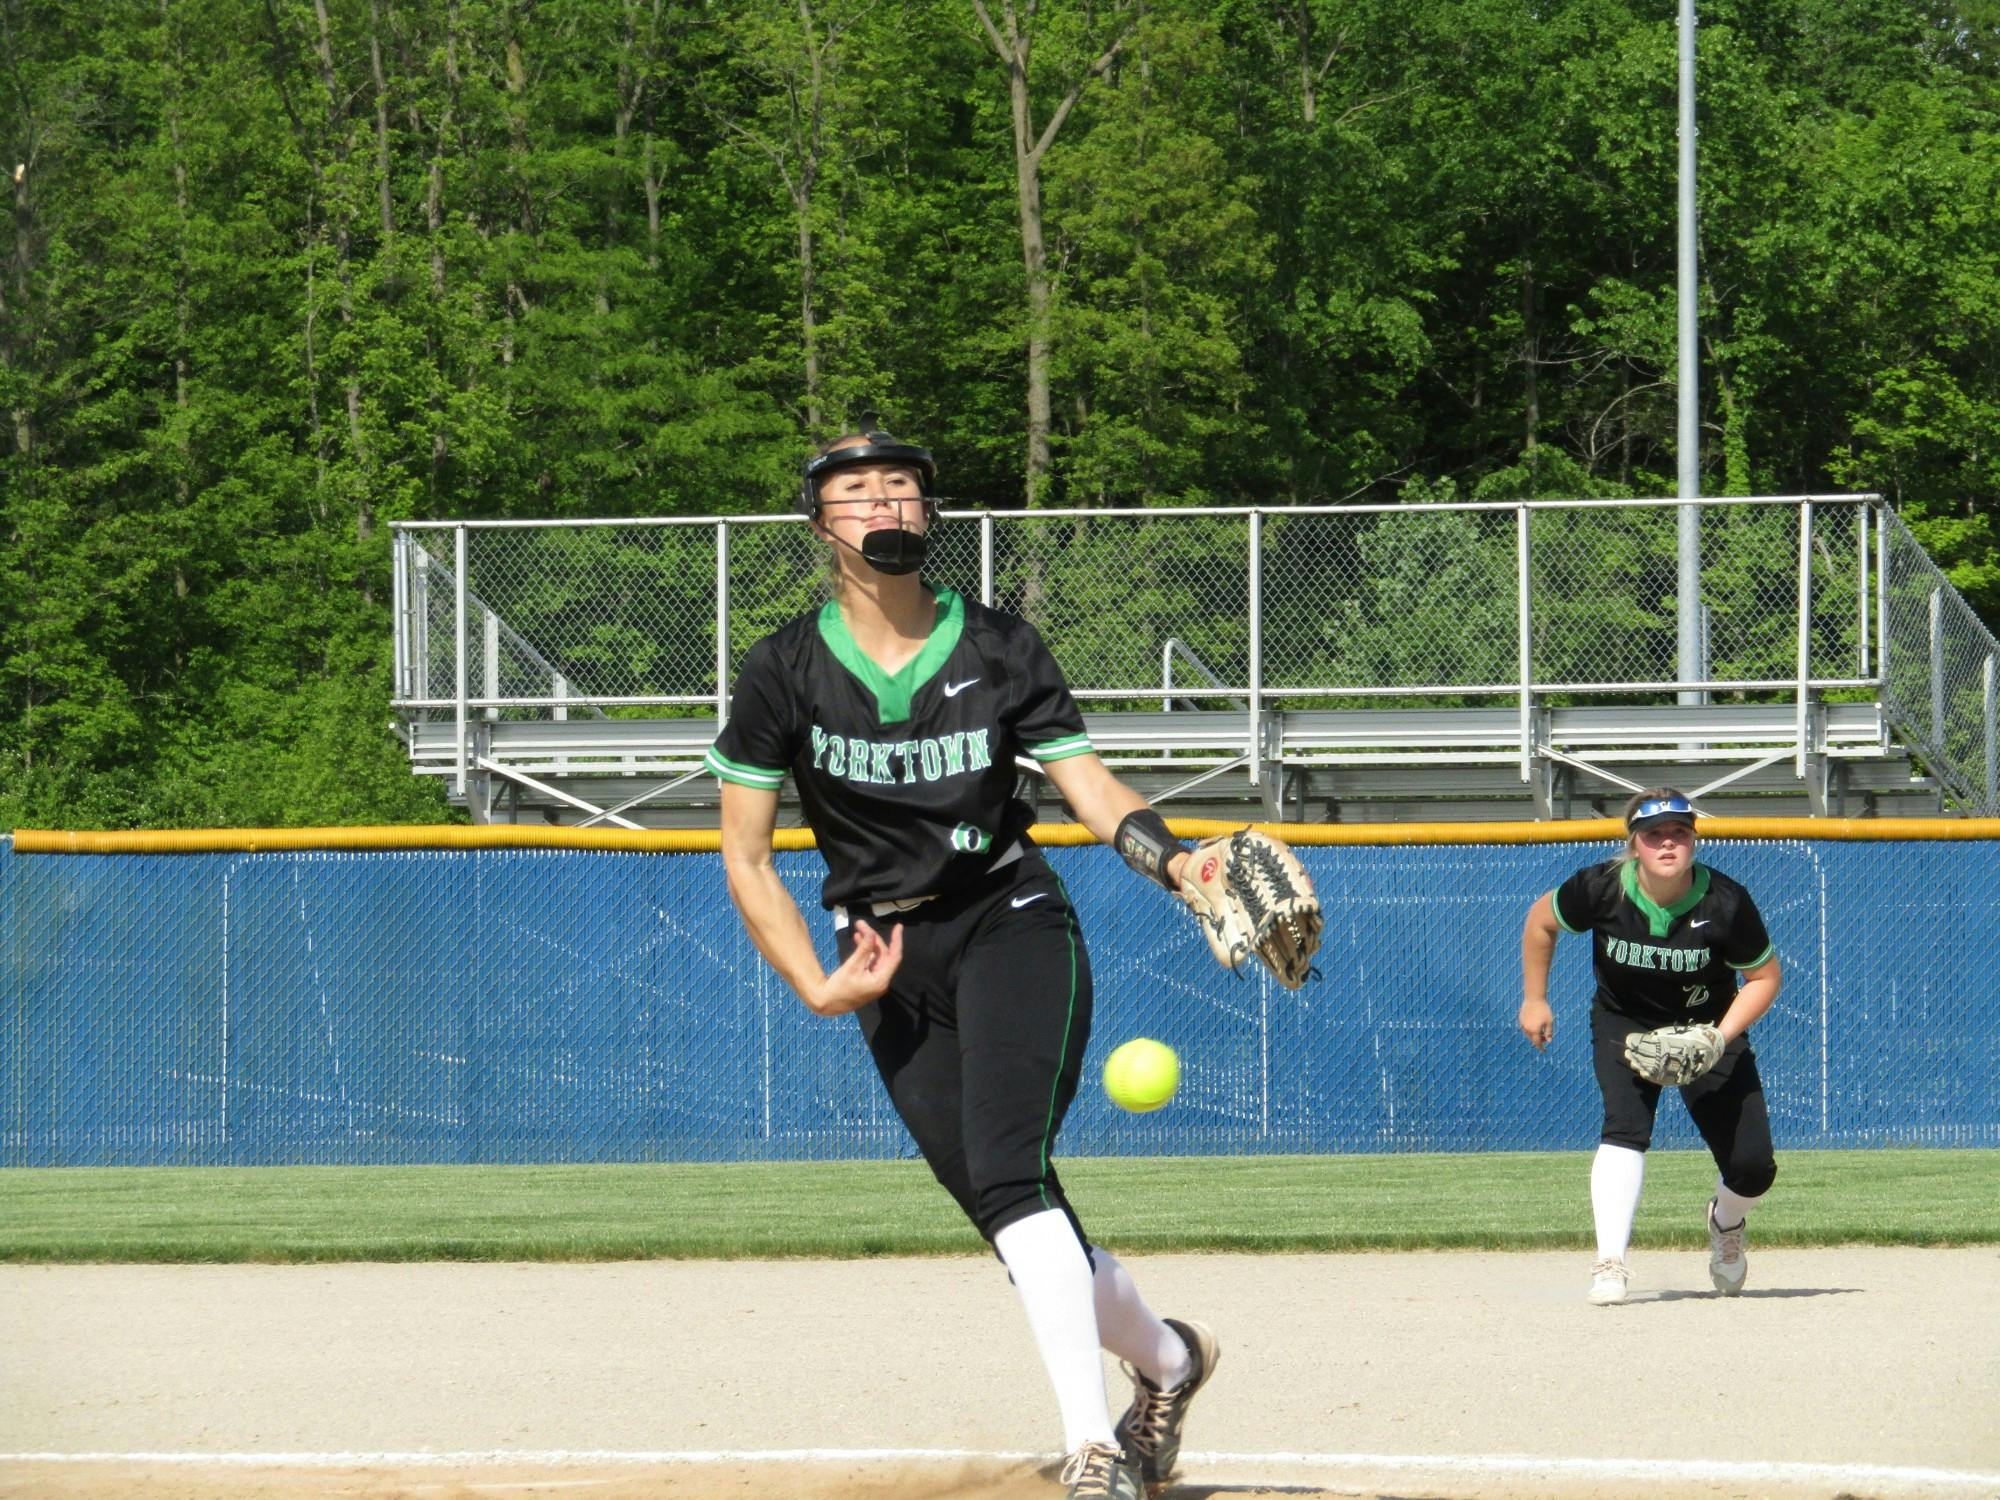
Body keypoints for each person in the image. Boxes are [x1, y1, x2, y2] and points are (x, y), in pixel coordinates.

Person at [705, 430, 1219, 1499]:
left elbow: (1090, 789)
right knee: (1006, 1208)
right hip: (884, 962)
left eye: (903, 489)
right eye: (856, 493)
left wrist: (1177, 864)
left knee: (1006, 1172)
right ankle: (1169, 1362)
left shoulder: (996, 645)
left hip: (1007, 918)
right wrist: (811, 979)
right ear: (820, 527)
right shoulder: (782, 670)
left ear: (930, 518)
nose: (884, 504)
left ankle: (1091, 1452)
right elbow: (746, 857)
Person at [1517, 789, 1783, 1305]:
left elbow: (1764, 978)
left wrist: (1717, 1038)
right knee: (1624, 1129)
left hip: (1708, 1028)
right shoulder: (1601, 888)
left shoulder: (1726, 902)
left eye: (1679, 832)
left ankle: (1725, 1223)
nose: (1667, 842)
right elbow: (1541, 922)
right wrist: (1534, 998)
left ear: (1694, 841)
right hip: (1626, 1022)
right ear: (1634, 844)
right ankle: (1611, 1262)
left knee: (1754, 1167)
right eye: (1654, 834)